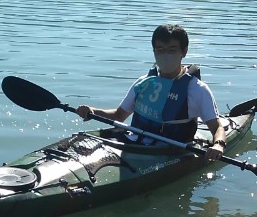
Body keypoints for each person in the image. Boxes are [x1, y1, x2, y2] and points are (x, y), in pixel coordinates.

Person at [76, 23, 226, 160]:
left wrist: (218, 144)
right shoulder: (144, 82)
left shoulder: (197, 89)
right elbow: (118, 116)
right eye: (160, 50)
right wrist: (92, 111)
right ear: (154, 51)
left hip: (169, 151)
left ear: (184, 52)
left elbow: (217, 127)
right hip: (133, 144)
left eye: (172, 50)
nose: (165, 55)